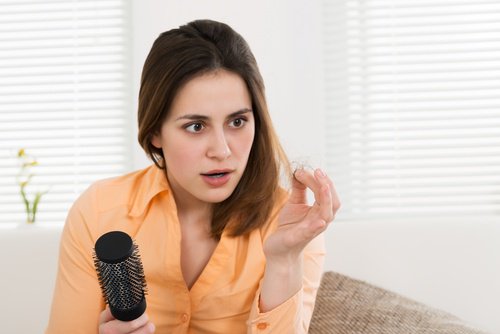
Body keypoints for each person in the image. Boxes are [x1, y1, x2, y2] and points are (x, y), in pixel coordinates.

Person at [46, 19, 340, 334]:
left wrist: (284, 262)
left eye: (238, 121)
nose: (222, 150)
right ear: (156, 130)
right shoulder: (99, 211)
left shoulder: (292, 226)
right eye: (196, 126)